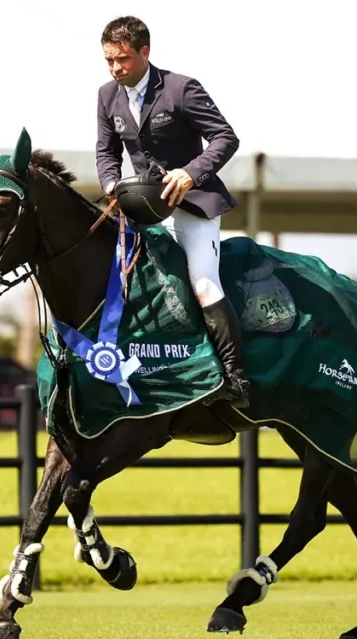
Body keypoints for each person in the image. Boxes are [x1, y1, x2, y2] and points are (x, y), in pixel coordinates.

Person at [95, 15, 250, 408]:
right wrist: (112, 185)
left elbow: (225, 137)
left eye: (123, 59)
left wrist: (191, 173)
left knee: (202, 284)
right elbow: (106, 152)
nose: (116, 68)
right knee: (119, 284)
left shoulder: (182, 88)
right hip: (143, 206)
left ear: (145, 52)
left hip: (193, 204)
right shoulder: (106, 95)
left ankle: (236, 379)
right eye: (110, 60)